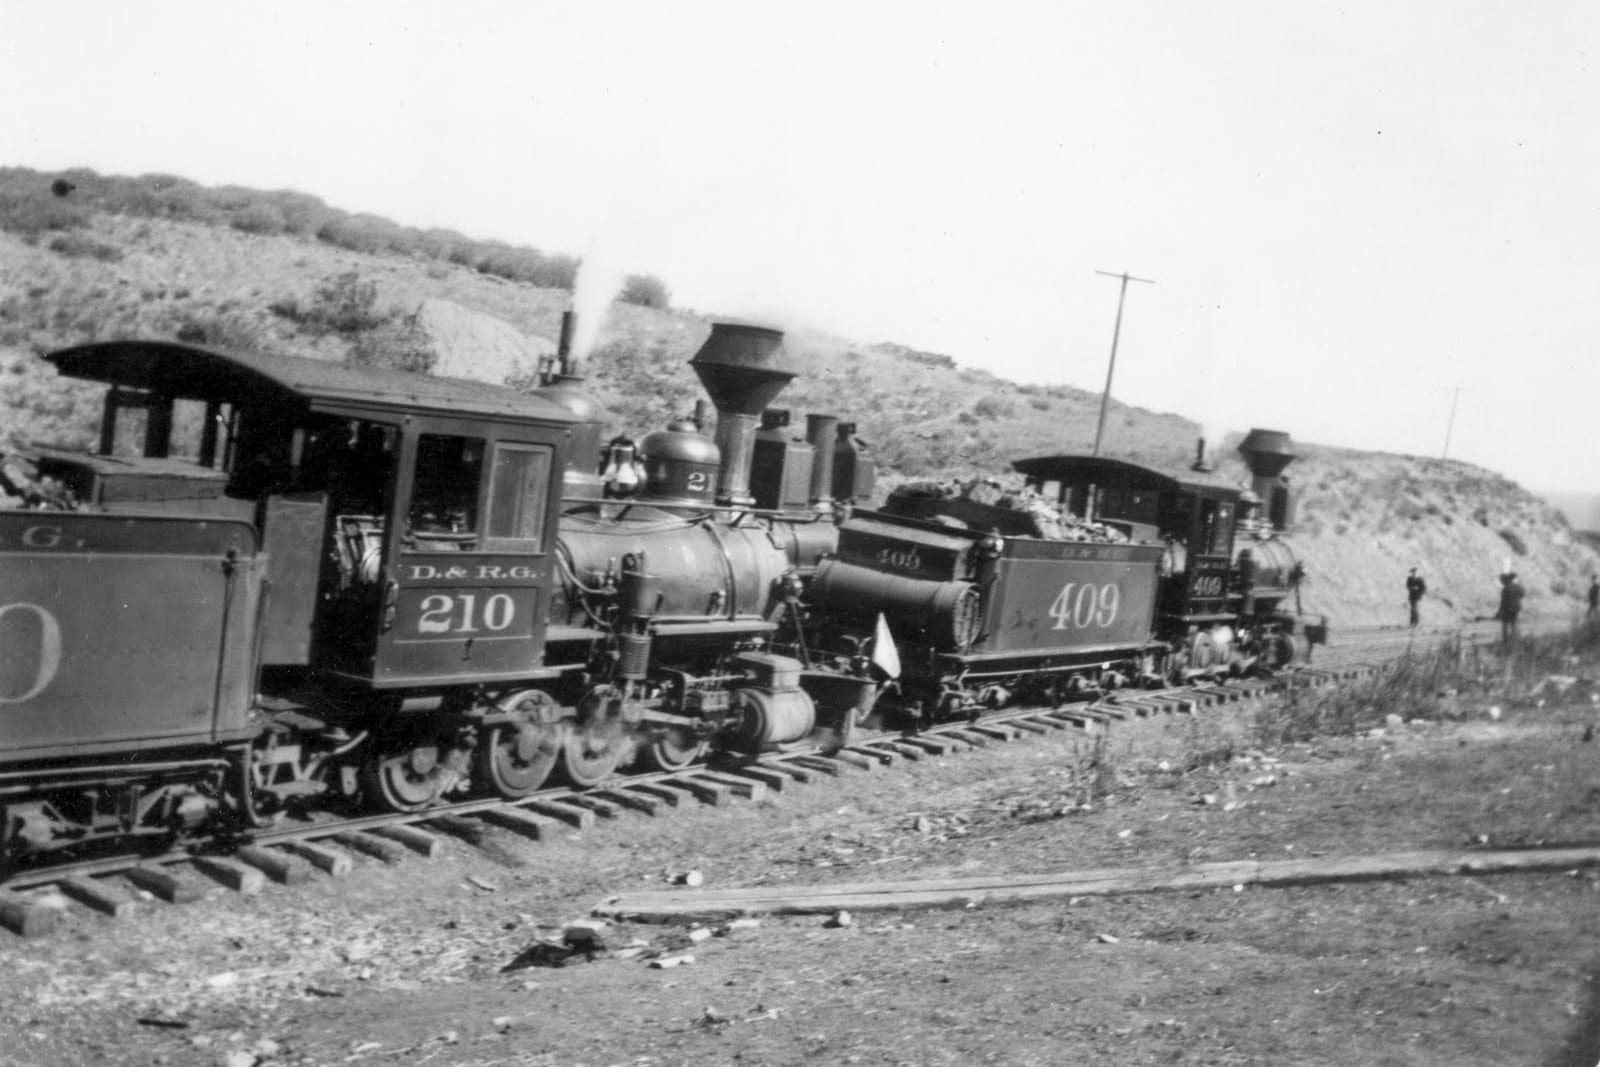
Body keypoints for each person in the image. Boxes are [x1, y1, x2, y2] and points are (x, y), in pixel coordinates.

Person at [1498, 572, 1525, 644]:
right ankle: (1514, 639)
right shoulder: (1518, 587)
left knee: (1505, 624)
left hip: (1507, 609)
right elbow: (1523, 595)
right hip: (1516, 608)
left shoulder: (1505, 589)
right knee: (1514, 623)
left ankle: (1505, 640)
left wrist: (1500, 610)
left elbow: (1503, 601)